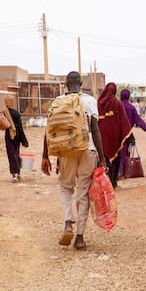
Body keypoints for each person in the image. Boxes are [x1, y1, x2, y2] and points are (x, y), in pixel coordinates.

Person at [41, 71, 106, 250]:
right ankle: (79, 237)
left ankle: (68, 223)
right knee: (83, 192)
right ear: (81, 84)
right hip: (88, 149)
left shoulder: (57, 102)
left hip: (66, 151)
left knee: (66, 188)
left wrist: (45, 156)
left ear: (66, 85)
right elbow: (95, 129)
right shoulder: (90, 101)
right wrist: (103, 158)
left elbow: (49, 130)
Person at [98, 82, 133, 188]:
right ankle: (113, 182)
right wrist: (130, 137)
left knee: (103, 159)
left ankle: (103, 183)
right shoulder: (117, 103)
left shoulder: (98, 104)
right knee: (115, 158)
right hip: (115, 137)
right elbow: (124, 121)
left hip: (101, 138)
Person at [0, 96, 29, 183]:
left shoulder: (3, 113)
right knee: (16, 154)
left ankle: (14, 175)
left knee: (11, 155)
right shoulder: (16, 113)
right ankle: (19, 173)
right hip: (17, 136)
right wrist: (24, 140)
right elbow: (20, 128)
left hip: (9, 136)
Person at [119, 89, 146, 177]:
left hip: (117, 134)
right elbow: (138, 120)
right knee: (125, 151)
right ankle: (123, 171)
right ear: (129, 96)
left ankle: (117, 172)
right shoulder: (131, 108)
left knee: (118, 153)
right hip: (127, 134)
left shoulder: (117, 106)